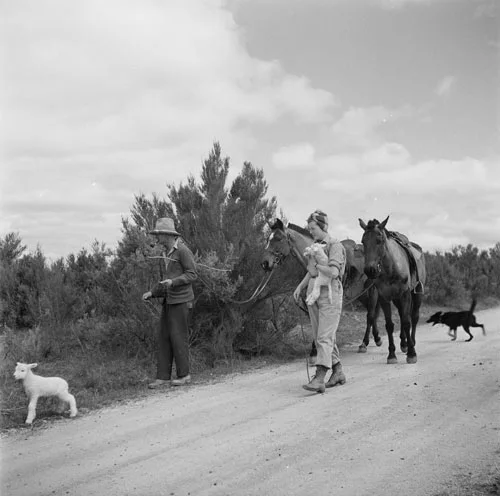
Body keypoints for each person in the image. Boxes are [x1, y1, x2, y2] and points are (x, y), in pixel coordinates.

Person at [293, 209, 347, 392]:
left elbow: (333, 272)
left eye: (314, 228)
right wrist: (300, 287)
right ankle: (338, 371)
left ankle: (319, 377)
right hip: (313, 294)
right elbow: (311, 271)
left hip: (330, 295)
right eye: (309, 228)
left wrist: (317, 265)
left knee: (324, 337)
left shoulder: (335, 246)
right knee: (320, 337)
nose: (311, 232)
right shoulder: (316, 245)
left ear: (323, 226)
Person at [142, 217, 197, 388]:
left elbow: (192, 274)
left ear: (167, 235)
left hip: (181, 301)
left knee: (178, 337)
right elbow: (167, 279)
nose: (157, 239)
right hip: (169, 301)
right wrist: (152, 293)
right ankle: (163, 377)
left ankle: (184, 375)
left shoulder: (182, 251)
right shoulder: (167, 253)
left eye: (159, 235)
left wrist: (174, 282)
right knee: (164, 337)